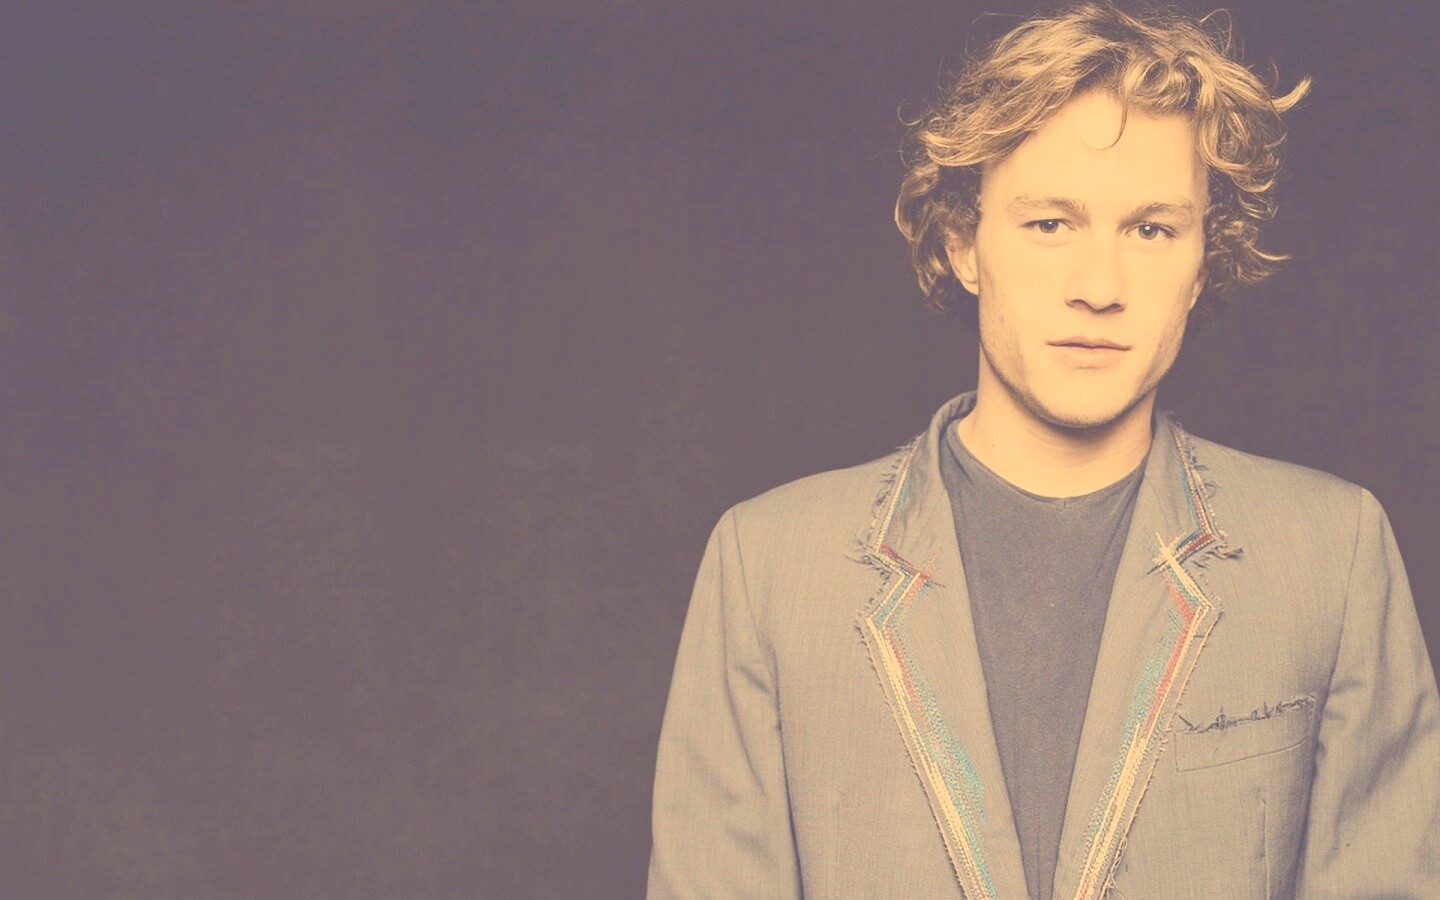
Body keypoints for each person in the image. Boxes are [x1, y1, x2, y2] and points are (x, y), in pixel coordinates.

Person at [646, 2, 1440, 897]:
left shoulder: (1333, 555)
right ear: (964, 245)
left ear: (1201, 263)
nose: (1099, 286)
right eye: (1050, 224)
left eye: (1151, 229)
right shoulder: (767, 566)